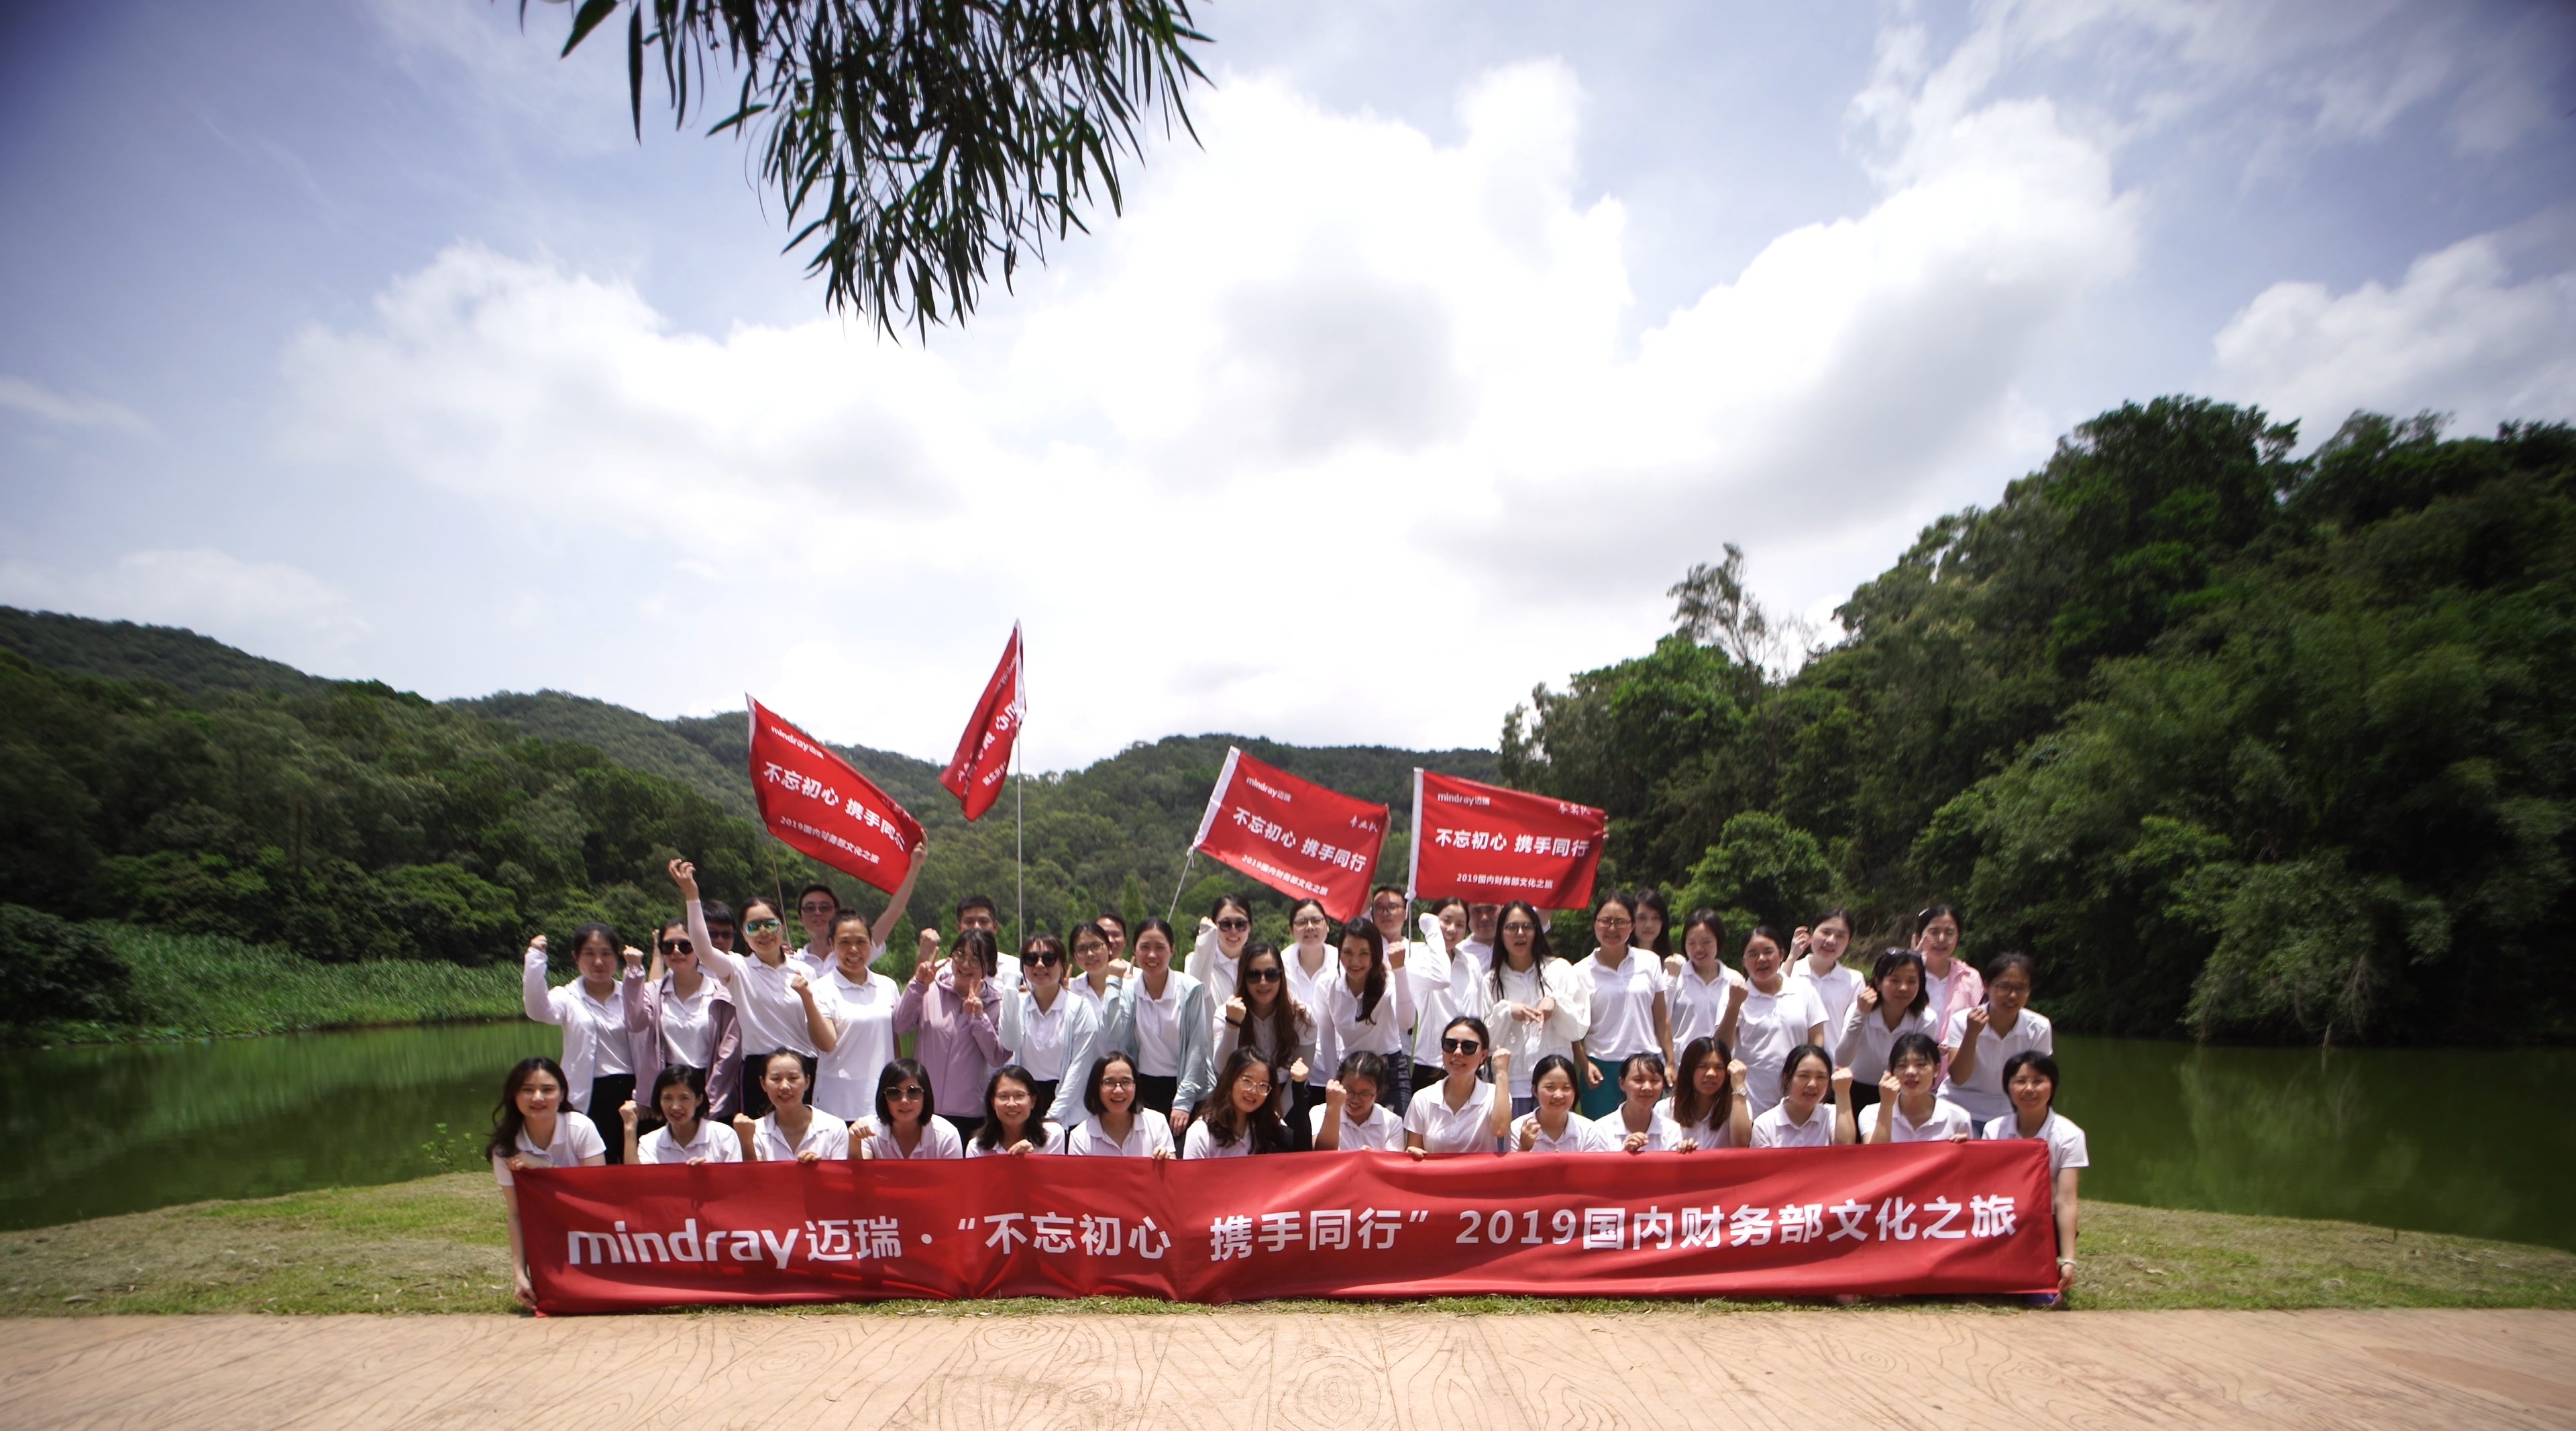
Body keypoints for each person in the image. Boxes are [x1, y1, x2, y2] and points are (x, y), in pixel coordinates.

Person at [674, 861, 837, 1120]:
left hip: (802, 1067)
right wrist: (692, 896)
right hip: (760, 1070)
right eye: (753, 927)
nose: (763, 932)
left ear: (782, 926)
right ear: (743, 934)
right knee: (762, 1145)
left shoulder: (805, 971)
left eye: (770, 924)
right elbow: (703, 950)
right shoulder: (738, 968)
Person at [488, 1056, 605, 1307]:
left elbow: (597, 1196)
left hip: (591, 1230)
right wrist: (519, 1274)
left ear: (562, 1094)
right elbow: (516, 1214)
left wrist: (546, 1169)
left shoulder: (581, 1128)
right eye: (527, 1090)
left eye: (548, 1090)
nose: (538, 1098)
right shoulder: (505, 1148)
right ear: (513, 1096)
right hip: (546, 1233)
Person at [520, 925, 637, 1164]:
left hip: (631, 1090)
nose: (598, 962)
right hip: (588, 1091)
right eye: (589, 954)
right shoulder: (567, 996)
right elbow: (537, 1010)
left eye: (606, 953)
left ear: (617, 957)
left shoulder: (631, 995)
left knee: (630, 1159)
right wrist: (535, 959)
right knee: (593, 1161)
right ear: (575, 957)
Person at [1986, 1051, 2086, 1306]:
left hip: (2043, 1224)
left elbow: (2066, 1201)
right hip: (2001, 1219)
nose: (2029, 1088)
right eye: (2020, 1081)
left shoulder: (2069, 1135)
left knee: (2042, 1297)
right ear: (2008, 1087)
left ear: (2052, 1086)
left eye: (2038, 1081)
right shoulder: (1993, 1129)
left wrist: (2068, 1259)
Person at [1100, 916, 1214, 1134]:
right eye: (1144, 947)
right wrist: (1113, 983)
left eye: (1160, 947)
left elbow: (1197, 1047)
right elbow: (1111, 1032)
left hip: (1185, 1088)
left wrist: (1183, 1101)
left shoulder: (1190, 989)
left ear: (1172, 950)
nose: (1152, 955)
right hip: (1143, 1089)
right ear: (1135, 950)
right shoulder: (1128, 991)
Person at [624, 917, 741, 1125]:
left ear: (699, 947)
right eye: (668, 946)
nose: (676, 952)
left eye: (686, 945)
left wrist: (708, 1102)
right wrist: (634, 972)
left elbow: (729, 1055)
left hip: (709, 1089)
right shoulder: (654, 992)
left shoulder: (722, 995)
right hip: (668, 1091)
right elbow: (635, 1023)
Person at [896, 927, 1007, 1139]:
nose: (965, 964)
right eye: (960, 955)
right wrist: (917, 985)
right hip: (923, 1107)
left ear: (990, 966)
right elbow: (901, 1025)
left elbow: (997, 1057)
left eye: (976, 960)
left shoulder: (994, 1004)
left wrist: (978, 1017)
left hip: (969, 1115)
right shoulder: (930, 988)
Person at [1572, 892, 1672, 1118]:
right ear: (1595, 924)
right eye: (1605, 921)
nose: (1612, 929)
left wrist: (1671, 1062)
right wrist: (1584, 1064)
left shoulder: (1650, 961)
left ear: (1632, 926)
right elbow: (1572, 1029)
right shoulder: (1579, 971)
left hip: (1647, 1065)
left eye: (1621, 922)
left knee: (1651, 1139)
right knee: (1602, 1143)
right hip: (1602, 1069)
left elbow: (1661, 1018)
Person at [1486, 900, 1587, 1117]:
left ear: (1537, 931)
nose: (1520, 933)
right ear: (1501, 934)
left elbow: (1579, 1028)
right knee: (1514, 1149)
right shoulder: (1491, 981)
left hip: (1556, 1086)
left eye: (1527, 927)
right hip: (1513, 1085)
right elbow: (1486, 1041)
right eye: (1512, 927)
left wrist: (1556, 1003)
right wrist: (1506, 1012)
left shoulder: (1560, 970)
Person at [810, 910, 902, 1134]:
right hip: (837, 1103)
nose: (853, 950)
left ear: (871, 943)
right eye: (844, 942)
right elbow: (826, 1044)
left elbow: (894, 1041)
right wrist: (805, 997)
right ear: (832, 944)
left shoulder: (887, 986)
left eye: (861, 942)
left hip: (881, 1099)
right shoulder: (820, 989)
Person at [998, 932, 1102, 1127]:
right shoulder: (1018, 1005)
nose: (1039, 965)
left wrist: (1052, 1116)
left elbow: (1079, 1069)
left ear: (1062, 965)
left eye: (1049, 958)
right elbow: (1009, 1042)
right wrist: (1010, 990)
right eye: (1031, 959)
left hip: (1069, 1110)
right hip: (1026, 1103)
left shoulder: (1080, 1009)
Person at [1940, 953, 2052, 1129]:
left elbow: (2039, 1081)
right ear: (1986, 986)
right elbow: (1959, 1078)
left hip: (2010, 1112)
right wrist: (1972, 1034)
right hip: (1958, 1107)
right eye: (2004, 987)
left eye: (2021, 988)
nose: (2013, 995)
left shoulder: (2039, 1027)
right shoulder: (1962, 1021)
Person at [1731, 924, 1830, 1120]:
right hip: (1754, 1098)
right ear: (1744, 960)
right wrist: (1734, 1005)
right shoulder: (1736, 994)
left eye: (1768, 952)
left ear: (1781, 954)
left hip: (1800, 1096)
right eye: (1753, 954)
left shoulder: (1804, 990)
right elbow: (1723, 1045)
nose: (1761, 959)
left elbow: (1817, 1039)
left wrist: (1811, 1075)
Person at [1320, 920, 1414, 1119]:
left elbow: (1407, 1022)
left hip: (1389, 1072)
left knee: (1393, 1143)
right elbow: (1327, 1039)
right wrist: (1333, 1083)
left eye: (1364, 953)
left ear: (1375, 953)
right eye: (1348, 953)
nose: (1355, 962)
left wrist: (1400, 970)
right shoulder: (1327, 984)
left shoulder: (1389, 981)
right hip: (1350, 1075)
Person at [1217, 943, 1313, 1132]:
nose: (1263, 982)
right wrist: (1233, 1025)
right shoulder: (1226, 1013)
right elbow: (1223, 1069)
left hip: (1288, 1096)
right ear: (1243, 978)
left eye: (1271, 974)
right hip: (1241, 1097)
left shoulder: (1302, 1015)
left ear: (1281, 976)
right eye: (1254, 975)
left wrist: (1277, 1115)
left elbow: (1301, 1072)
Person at [1833, 949, 1935, 1121]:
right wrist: (1861, 1015)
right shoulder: (1858, 1010)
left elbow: (1922, 1065)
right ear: (1879, 982)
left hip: (1901, 1092)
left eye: (1912, 981)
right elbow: (1842, 1059)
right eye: (1894, 980)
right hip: (1857, 1091)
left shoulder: (1926, 1019)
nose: (1903, 988)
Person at [1401, 900, 1480, 1111]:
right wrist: (1431, 930)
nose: (1452, 929)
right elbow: (1441, 978)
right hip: (1433, 1063)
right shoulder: (1416, 959)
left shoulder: (1472, 963)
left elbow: (1478, 1013)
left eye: (1460, 924)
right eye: (1446, 921)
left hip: (1469, 1061)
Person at [792, 857, 920, 980]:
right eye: (810, 908)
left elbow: (894, 910)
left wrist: (914, 867)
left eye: (825, 907)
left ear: (836, 913)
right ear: (800, 919)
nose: (818, 912)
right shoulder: (793, 962)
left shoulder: (856, 952)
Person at [1403, 1015, 1511, 1156]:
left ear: (1483, 1056)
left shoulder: (1494, 1095)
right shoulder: (1422, 1099)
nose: (1458, 1052)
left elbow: (1500, 1129)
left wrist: (1502, 1072)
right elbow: (1413, 1151)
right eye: (1450, 1045)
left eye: (1468, 1047)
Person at [1282, 898, 1340, 1138]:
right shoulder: (1280, 964)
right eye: (1302, 922)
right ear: (1291, 929)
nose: (1310, 927)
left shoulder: (1342, 961)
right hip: (1293, 1073)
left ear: (1327, 926)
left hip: (1335, 1071)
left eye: (1316, 920)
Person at [735, 1049, 850, 1162]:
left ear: (807, 1082)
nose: (785, 1086)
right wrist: (747, 1142)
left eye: (793, 1078)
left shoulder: (835, 1128)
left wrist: (819, 1170)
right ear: (763, 1084)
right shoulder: (754, 1131)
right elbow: (754, 1179)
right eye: (776, 1079)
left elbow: (842, 1177)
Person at [1860, 1032, 1975, 1143]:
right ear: (1891, 1072)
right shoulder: (1871, 1114)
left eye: (1920, 1065)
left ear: (1936, 1070)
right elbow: (1875, 1158)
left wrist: (1963, 1149)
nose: (1911, 1072)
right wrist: (1886, 1105)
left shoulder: (1958, 1118)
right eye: (1902, 1065)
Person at [1063, 1051, 1177, 1158]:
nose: (1118, 1090)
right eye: (1109, 1082)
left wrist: (1166, 1163)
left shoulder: (1157, 1123)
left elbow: (1173, 1176)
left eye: (1126, 1081)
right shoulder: (1080, 1137)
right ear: (1095, 1087)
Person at [623, 1066, 744, 1165]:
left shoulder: (724, 1136)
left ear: (699, 1099)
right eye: (668, 1098)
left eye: (684, 1098)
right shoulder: (650, 1142)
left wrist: (711, 1175)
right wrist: (630, 1128)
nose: (675, 1107)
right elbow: (639, 1184)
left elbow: (736, 1185)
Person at [1183, 1047, 1287, 1158]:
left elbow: (1301, 1148)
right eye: (1247, 1081)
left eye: (1263, 1085)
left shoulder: (1271, 1122)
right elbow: (1191, 1175)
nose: (1253, 1091)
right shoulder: (1201, 1132)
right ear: (1231, 1080)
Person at [1668, 910, 1748, 1050]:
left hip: (1718, 1066)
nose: (1698, 949)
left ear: (1719, 941)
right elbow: (1661, 1021)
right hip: (1680, 1065)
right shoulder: (1675, 975)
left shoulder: (1734, 980)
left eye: (1706, 942)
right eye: (1691, 943)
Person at [1656, 1037, 1754, 1151]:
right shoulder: (1665, 1109)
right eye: (1703, 1067)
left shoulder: (1739, 1105)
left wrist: (1738, 1086)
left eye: (1719, 1067)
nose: (1711, 1073)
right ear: (1689, 1070)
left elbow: (1741, 1144)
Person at [1508, 1053, 1620, 1153]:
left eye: (1566, 1088)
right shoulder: (1518, 1129)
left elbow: (1590, 1173)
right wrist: (1524, 1148)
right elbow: (1512, 1175)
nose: (1558, 1095)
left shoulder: (1588, 1131)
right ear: (1535, 1091)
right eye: (1550, 1087)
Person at [1748, 1044, 1856, 1148]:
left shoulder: (1832, 1115)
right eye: (1804, 1076)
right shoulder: (1765, 1124)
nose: (1812, 1084)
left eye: (1821, 1077)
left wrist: (1843, 1093)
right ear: (1787, 1079)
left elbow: (1846, 1146)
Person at [859, 1058, 963, 1160]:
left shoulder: (947, 1136)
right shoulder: (867, 1131)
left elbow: (953, 1177)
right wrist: (855, 1142)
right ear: (883, 1098)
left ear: (925, 1096)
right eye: (894, 1093)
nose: (904, 1101)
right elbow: (860, 1175)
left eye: (913, 1092)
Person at [1786, 908, 1866, 1035]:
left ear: (1848, 942)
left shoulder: (1854, 980)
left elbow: (1854, 1029)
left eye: (1840, 936)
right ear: (1812, 934)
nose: (1831, 941)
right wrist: (1791, 957)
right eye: (1826, 932)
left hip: (1833, 1054)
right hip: (1791, 1053)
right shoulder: (1789, 970)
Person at [1311, 1050, 1405, 1153]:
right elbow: (1322, 1154)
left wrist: (1373, 1159)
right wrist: (1333, 1108)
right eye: (1349, 1091)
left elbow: (1393, 1164)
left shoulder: (1393, 1123)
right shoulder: (1320, 1113)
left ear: (1378, 1092)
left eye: (1365, 1094)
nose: (1355, 1100)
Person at [1914, 903, 1983, 1042]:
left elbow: (1980, 1021)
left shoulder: (1970, 977)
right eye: (1934, 932)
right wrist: (1912, 959)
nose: (1941, 939)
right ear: (1918, 938)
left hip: (1956, 1058)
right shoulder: (1907, 976)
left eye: (1949, 933)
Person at [1185, 894, 1254, 1026]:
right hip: (1210, 1043)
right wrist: (1206, 938)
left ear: (1250, 927)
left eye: (1241, 924)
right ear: (1215, 925)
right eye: (1225, 924)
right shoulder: (1196, 960)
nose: (1233, 931)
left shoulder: (1257, 964)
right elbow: (1195, 993)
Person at [968, 1065, 1065, 1156]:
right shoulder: (976, 1148)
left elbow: (1055, 1174)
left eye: (1019, 1096)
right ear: (993, 1103)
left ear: (1033, 1101)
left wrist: (1032, 1159)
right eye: (1003, 1096)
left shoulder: (1053, 1135)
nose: (1011, 1104)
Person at [1608, 1052, 1679, 1153]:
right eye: (1639, 1080)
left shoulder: (1672, 1131)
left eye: (1654, 1080)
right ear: (1622, 1083)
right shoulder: (1601, 1130)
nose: (1647, 1087)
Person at [955, 894, 1020, 992]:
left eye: (983, 922)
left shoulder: (1016, 968)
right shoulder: (942, 972)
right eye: (969, 922)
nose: (977, 927)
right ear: (959, 928)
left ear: (995, 927)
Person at [1067, 920, 1125, 1016]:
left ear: (1109, 948)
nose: (1090, 954)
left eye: (1096, 946)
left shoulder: (1128, 986)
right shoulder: (1070, 989)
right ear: (1074, 957)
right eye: (1081, 949)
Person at [1631, 886, 1674, 963]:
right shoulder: (1619, 960)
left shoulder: (1674, 963)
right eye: (1642, 918)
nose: (1649, 925)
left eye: (1656, 918)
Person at [1462, 902, 1500, 966]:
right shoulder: (1458, 953)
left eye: (1491, 910)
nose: (1484, 918)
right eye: (1476, 911)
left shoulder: (1518, 949)